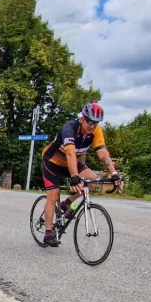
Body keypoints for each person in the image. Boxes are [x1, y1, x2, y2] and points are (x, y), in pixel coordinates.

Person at [40, 102, 122, 247]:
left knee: (91, 181)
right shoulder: (69, 128)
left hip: (71, 162)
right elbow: (70, 153)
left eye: (96, 123)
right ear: (82, 118)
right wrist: (74, 177)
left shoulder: (95, 131)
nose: (92, 125)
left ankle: (67, 203)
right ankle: (48, 233)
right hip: (53, 161)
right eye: (89, 121)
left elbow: (102, 153)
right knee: (53, 195)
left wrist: (114, 173)